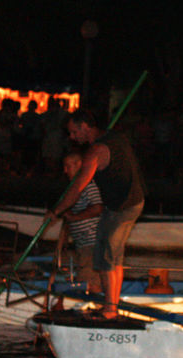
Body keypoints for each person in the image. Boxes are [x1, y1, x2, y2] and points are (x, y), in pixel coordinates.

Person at [47, 109, 145, 320]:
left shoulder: (95, 151)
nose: (72, 137)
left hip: (121, 206)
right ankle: (112, 305)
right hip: (133, 201)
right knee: (113, 257)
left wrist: (56, 211)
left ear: (85, 127)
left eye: (74, 132)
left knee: (105, 257)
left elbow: (77, 188)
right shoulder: (114, 136)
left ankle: (110, 308)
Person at [61, 151, 103, 293]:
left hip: (91, 242)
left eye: (68, 166)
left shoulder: (87, 185)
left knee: (89, 282)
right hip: (82, 244)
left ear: (79, 165)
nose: (65, 171)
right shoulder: (73, 188)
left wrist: (75, 217)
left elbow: (97, 207)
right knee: (85, 277)